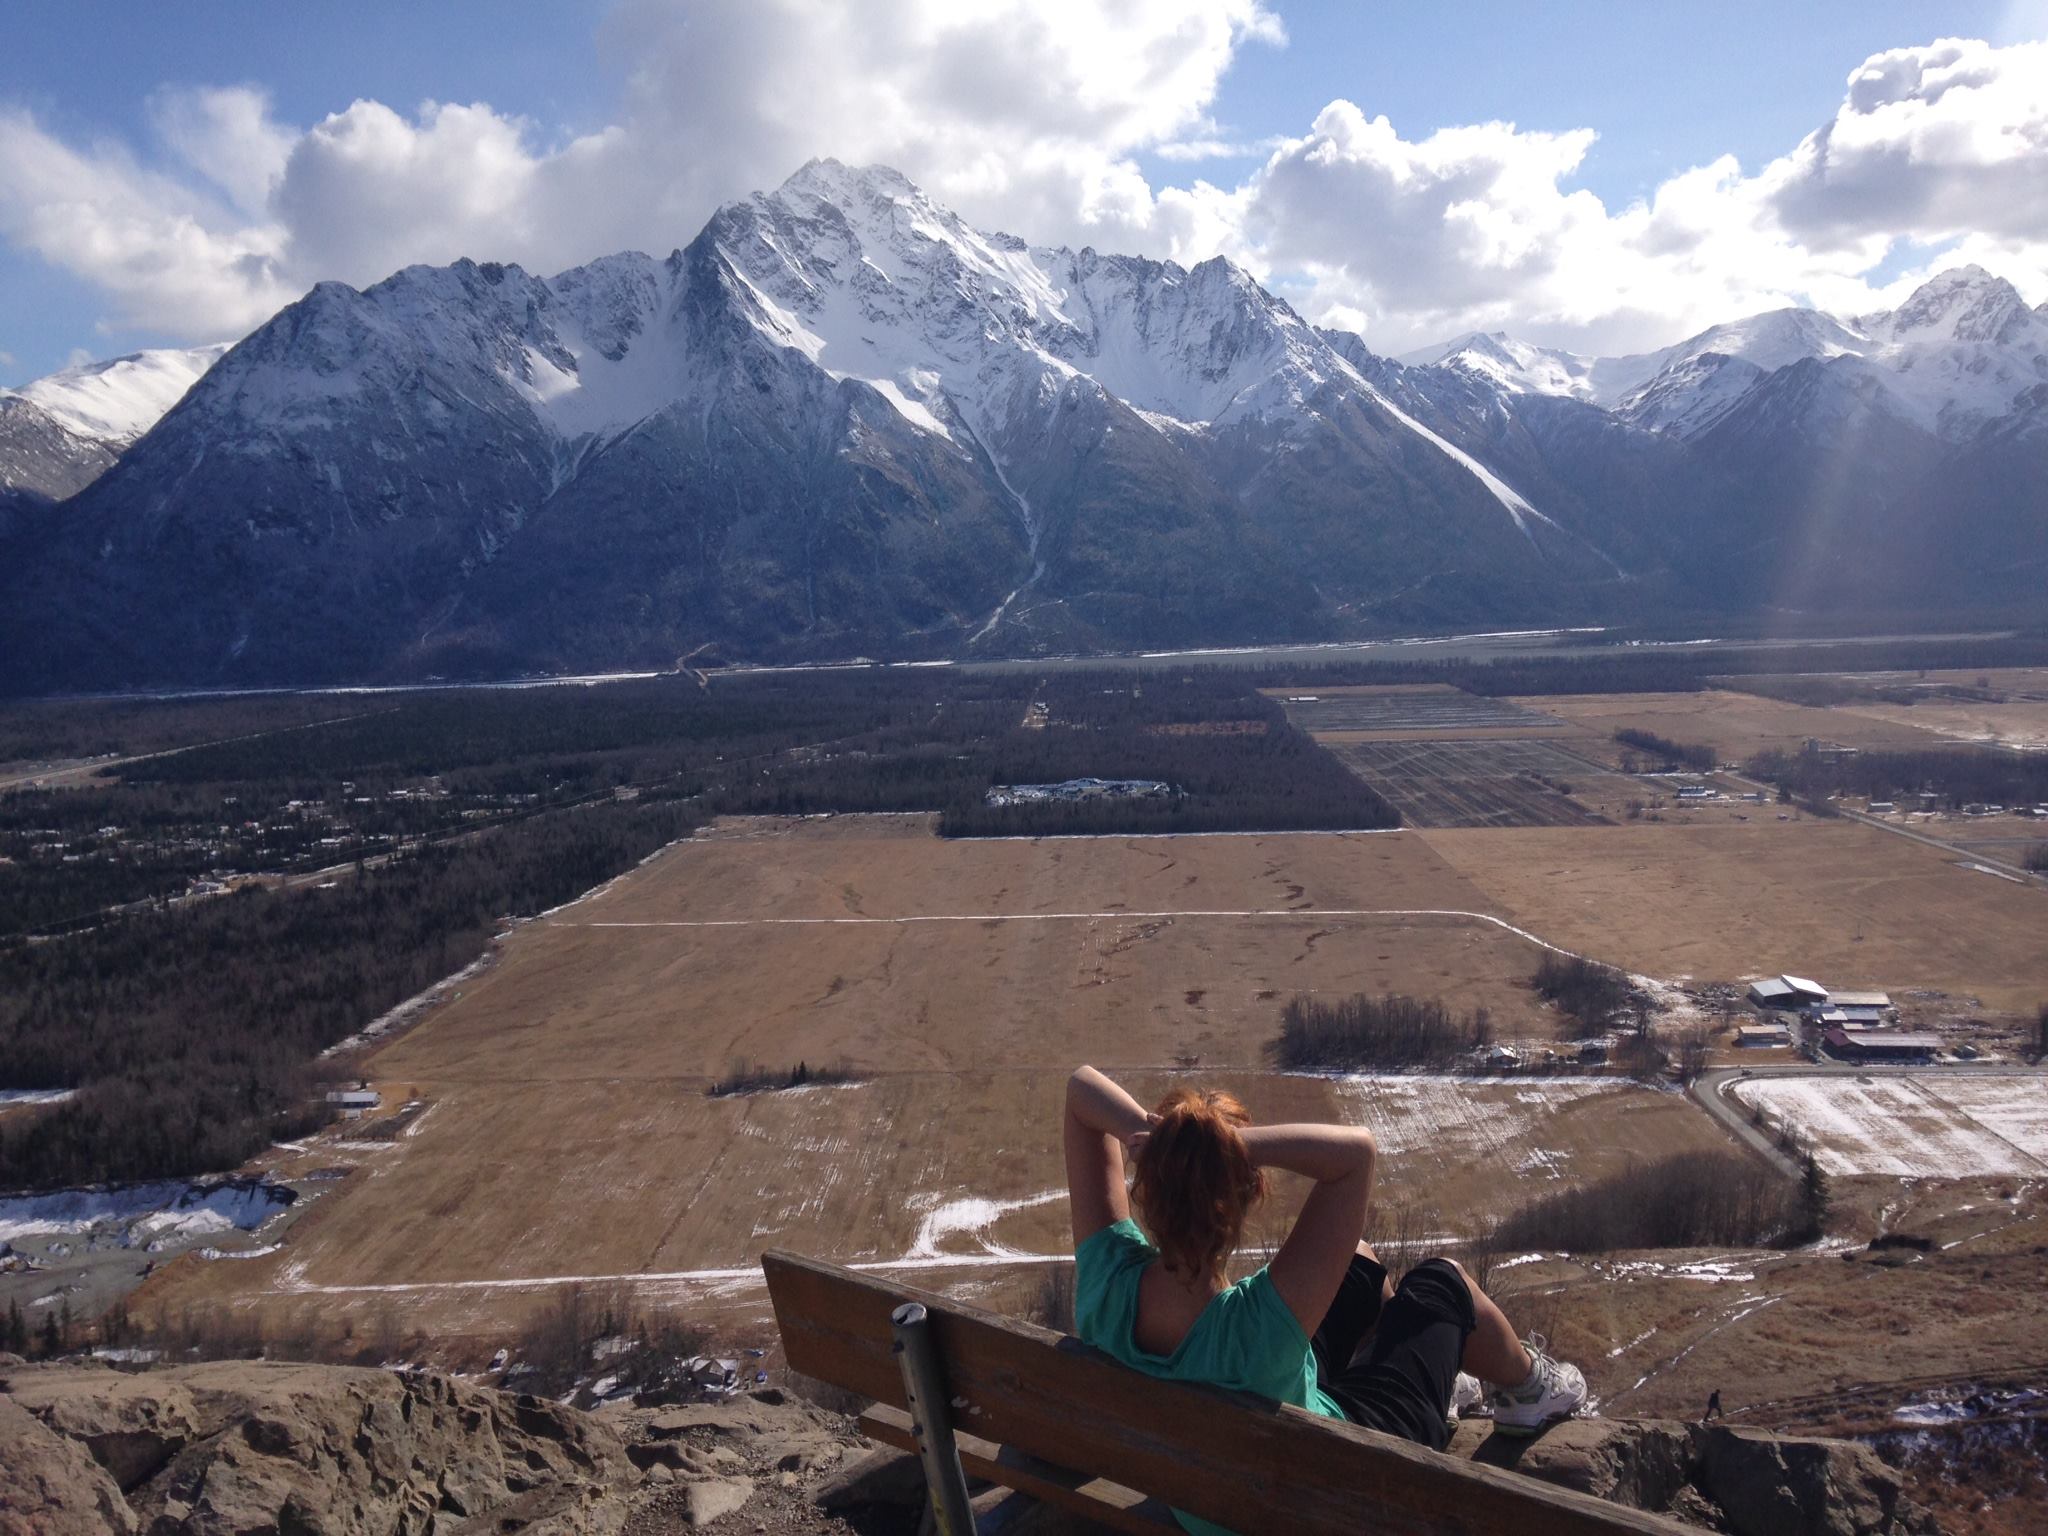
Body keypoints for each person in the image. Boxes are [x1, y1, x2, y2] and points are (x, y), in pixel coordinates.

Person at [1063, 1065, 1586, 1536]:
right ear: (1248, 1193)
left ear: (1149, 1185)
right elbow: (1356, 1154)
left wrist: (1173, 1142)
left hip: (1212, 1495)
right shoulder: (1256, 1327)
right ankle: (1531, 1391)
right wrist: (1227, 1145)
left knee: (1358, 1260)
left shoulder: (1109, 1287)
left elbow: (1080, 1089)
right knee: (1442, 1282)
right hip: (1348, 1472)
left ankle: (1429, 1376)